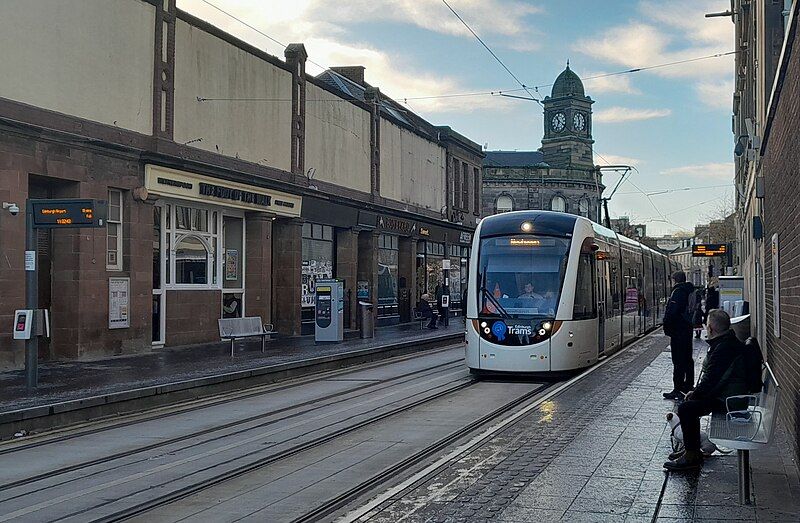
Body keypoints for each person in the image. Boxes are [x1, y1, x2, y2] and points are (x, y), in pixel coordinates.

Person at [664, 309, 749, 470]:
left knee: (687, 408)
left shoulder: (724, 348)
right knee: (692, 402)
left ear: (710, 328)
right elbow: (715, 379)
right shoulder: (727, 343)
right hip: (731, 395)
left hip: (731, 401)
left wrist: (695, 393)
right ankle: (692, 449)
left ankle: (691, 456)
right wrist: (696, 392)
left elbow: (712, 380)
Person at [662, 271, 696, 400]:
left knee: (678, 360)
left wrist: (667, 325)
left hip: (678, 330)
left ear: (675, 280)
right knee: (688, 359)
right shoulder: (690, 290)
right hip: (687, 329)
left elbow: (672, 311)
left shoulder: (678, 292)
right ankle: (688, 385)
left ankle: (678, 388)